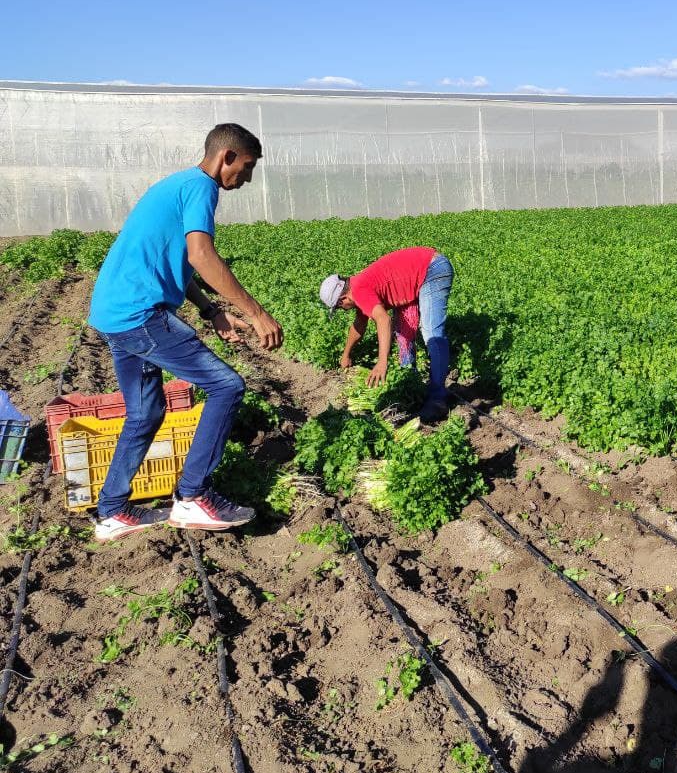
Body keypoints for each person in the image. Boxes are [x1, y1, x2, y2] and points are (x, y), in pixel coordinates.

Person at [87, 123, 283, 542]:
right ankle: (192, 496)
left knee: (145, 413)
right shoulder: (201, 187)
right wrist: (256, 312)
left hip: (115, 312)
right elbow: (201, 254)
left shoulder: (177, 185)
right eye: (246, 168)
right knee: (227, 386)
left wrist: (211, 310)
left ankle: (111, 511)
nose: (246, 179)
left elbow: (175, 261)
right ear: (226, 156)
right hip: (140, 314)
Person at [319, 246, 454, 422]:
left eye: (338, 308)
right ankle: (411, 382)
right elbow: (359, 326)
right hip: (425, 267)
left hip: (432, 269)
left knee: (432, 332)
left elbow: (383, 320)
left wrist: (382, 362)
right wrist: (346, 355)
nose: (342, 310)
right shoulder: (358, 288)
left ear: (343, 299)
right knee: (404, 331)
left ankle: (437, 400)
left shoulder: (359, 290)